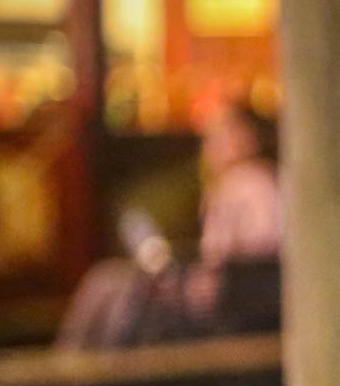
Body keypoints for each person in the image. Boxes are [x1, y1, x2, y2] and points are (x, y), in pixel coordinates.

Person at [56, 98, 282, 349]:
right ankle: (77, 361)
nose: (210, 147)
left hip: (219, 303)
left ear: (248, 138)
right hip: (210, 292)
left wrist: (197, 277)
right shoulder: (240, 183)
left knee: (110, 285)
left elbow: (261, 253)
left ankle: (80, 362)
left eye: (221, 135)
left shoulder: (250, 183)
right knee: (108, 282)